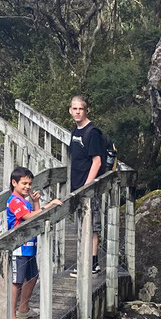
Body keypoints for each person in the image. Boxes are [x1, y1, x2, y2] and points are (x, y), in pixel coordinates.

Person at [6, 166, 62, 319]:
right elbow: (28, 217)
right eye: (24, 183)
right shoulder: (14, 201)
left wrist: (36, 203)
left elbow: (35, 218)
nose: (27, 187)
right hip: (19, 247)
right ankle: (12, 317)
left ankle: (23, 310)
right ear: (14, 183)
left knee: (32, 277)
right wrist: (49, 204)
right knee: (16, 282)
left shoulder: (24, 200)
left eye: (29, 183)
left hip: (29, 247)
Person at [68, 95, 104, 276]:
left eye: (80, 109)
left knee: (92, 225)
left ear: (86, 110)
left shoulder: (93, 132)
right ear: (70, 110)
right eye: (74, 109)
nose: (77, 112)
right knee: (81, 225)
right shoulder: (75, 131)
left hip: (88, 187)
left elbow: (97, 162)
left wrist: (87, 186)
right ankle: (84, 261)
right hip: (76, 186)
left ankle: (93, 263)